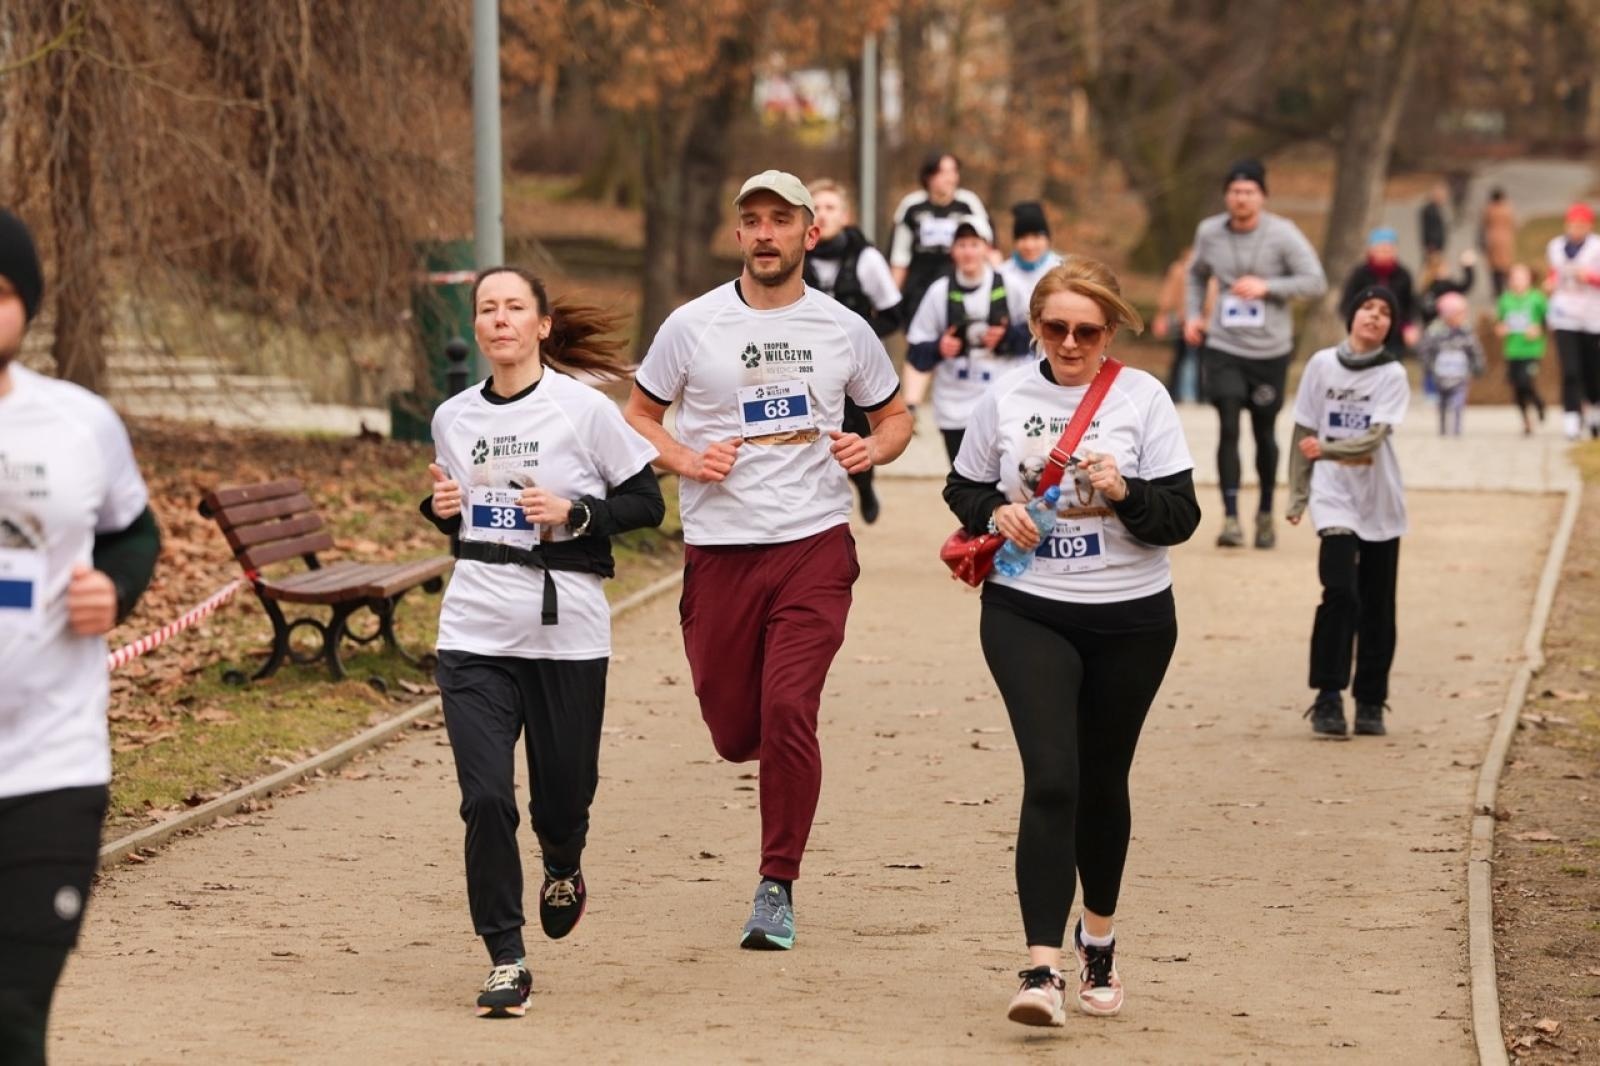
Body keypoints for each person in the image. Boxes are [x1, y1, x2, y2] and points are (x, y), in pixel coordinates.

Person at [624, 170, 912, 951]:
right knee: (730, 727)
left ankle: (776, 883)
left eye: (779, 220)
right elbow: (640, 415)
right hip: (719, 551)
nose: (764, 233)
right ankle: (773, 758)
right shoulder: (691, 325)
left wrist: (871, 447)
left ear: (809, 233)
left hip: (813, 544)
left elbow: (895, 414)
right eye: (750, 220)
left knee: (790, 708)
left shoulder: (843, 328)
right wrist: (682, 458)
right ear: (738, 233)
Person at [944, 255, 1199, 1027]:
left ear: (1112, 328)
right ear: (1035, 327)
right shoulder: (1005, 397)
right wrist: (995, 512)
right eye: (1055, 326)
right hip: (1029, 608)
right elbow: (962, 485)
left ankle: (1100, 939)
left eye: (1087, 329)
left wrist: (1124, 492)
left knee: (1101, 780)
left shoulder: (1143, 398)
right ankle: (1039, 970)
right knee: (1053, 776)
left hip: (1132, 618)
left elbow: (1180, 518)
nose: (1071, 341)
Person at [421, 267, 664, 1017]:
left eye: (514, 308)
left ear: (542, 325)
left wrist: (575, 511)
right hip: (473, 632)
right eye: (487, 309)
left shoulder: (582, 411)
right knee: (486, 798)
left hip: (566, 636)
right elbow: (461, 518)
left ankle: (564, 859)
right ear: (477, 327)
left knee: (563, 796)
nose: (499, 321)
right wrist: (439, 508)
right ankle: (505, 956)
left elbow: (645, 502)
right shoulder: (453, 416)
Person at [0, 209, 162, 1063]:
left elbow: (135, 533)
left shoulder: (80, 424)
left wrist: (116, 587)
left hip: (51, 765)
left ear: (27, 306)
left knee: (17, 1009)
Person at [1184, 158, 1327, 550]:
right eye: (1234, 191)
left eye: (1249, 192)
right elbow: (1196, 274)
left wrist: (1268, 286)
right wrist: (1194, 315)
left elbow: (1315, 282)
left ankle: (1265, 514)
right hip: (1224, 345)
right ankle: (1230, 519)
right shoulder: (1209, 232)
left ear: (1262, 196)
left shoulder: (1283, 234)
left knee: (1265, 432)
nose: (1241, 198)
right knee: (1227, 425)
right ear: (1226, 195)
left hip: (1269, 350)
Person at [1286, 286, 1409, 739]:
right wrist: (1298, 494)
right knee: (1340, 592)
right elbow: (1303, 428)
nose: (1374, 317)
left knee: (1378, 602)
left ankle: (1372, 700)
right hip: (1332, 495)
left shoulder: (1392, 374)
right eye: (1367, 308)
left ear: (1391, 326)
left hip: (1379, 499)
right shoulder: (1321, 365)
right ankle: (1328, 696)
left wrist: (1329, 448)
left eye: (1385, 312)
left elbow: (1376, 437)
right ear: (1352, 315)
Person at [803, 178, 904, 524]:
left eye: (831, 208)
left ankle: (864, 485)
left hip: (854, 366)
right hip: (805, 363)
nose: (823, 215)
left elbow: (892, 315)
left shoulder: (867, 258)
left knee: (855, 430)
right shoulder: (793, 257)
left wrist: (854, 339)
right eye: (816, 208)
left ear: (845, 215)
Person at [906, 220, 1027, 463]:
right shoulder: (939, 292)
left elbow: (1036, 337)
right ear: (952, 251)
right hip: (955, 406)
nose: (968, 252)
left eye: (974, 244)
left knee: (1004, 476)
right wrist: (939, 348)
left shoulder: (1010, 286)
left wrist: (1007, 336)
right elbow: (916, 351)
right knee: (964, 480)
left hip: (1002, 401)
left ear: (986, 248)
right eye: (961, 245)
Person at [887, 152, 992, 420]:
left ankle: (968, 406)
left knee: (961, 342)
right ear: (928, 177)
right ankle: (910, 408)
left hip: (960, 288)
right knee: (921, 343)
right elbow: (900, 257)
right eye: (943, 172)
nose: (950, 177)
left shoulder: (968, 204)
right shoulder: (912, 207)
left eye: (954, 171)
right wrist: (889, 299)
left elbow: (989, 246)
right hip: (919, 289)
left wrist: (998, 281)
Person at [1544, 201, 1600, 441]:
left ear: (1588, 226)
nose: (1576, 229)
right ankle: (1571, 419)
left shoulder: (1597, 247)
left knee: (1592, 371)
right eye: (1572, 225)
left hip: (1592, 315)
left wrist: (1589, 277)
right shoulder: (1555, 246)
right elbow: (1556, 272)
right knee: (1570, 370)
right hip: (1564, 314)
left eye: (1581, 225)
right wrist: (1551, 281)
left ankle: (1595, 412)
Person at [997, 201, 1064, 354]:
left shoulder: (1061, 270)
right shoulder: (1001, 273)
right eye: (1023, 238)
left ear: (1047, 239)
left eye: (1036, 237)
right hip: (1011, 356)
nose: (1029, 245)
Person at [1340, 227, 1418, 355]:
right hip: (1365, 332)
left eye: (1389, 249)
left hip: (1394, 335)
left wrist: (1408, 327)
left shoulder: (1403, 275)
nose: (1385, 253)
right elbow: (1347, 304)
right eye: (1381, 250)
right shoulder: (1360, 274)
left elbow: (1410, 304)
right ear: (1371, 251)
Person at [1417, 291, 1485, 436]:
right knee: (1442, 403)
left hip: (1460, 375)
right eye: (1459, 313)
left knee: (1458, 402)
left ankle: (1457, 429)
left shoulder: (1466, 332)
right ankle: (1442, 428)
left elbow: (1475, 349)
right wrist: (1428, 366)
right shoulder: (1435, 331)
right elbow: (1425, 350)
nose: (1462, 317)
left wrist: (1478, 366)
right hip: (1440, 375)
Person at [1495, 263, 1549, 434]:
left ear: (1529, 279)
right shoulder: (1505, 300)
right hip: (1512, 349)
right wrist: (1501, 328)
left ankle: (1539, 403)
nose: (1517, 281)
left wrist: (1539, 328)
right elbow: (1499, 323)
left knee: (1526, 382)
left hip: (1532, 349)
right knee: (1516, 387)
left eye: (1521, 277)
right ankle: (1526, 421)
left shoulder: (1537, 298)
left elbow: (1549, 320)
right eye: (1514, 277)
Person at [1152, 246, 1201, 403]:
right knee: (1190, 358)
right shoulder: (1182, 270)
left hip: (1192, 319)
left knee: (1186, 358)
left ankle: (1186, 393)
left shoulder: (1182, 269)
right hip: (1189, 319)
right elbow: (1169, 294)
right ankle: (1188, 393)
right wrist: (1163, 315)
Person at [1481, 187, 1517, 298]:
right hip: (1506, 240)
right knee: (1506, 267)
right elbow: (1514, 223)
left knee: (1494, 268)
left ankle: (1497, 291)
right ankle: (1510, 288)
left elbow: (1484, 223)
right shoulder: (1507, 209)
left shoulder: (1489, 209)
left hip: (1492, 240)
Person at [1420, 182, 1448, 260]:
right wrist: (1432, 248)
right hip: (1433, 249)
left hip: (1437, 248)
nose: (1444, 197)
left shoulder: (1437, 209)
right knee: (1432, 269)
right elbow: (1428, 231)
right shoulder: (1429, 210)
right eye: (1442, 195)